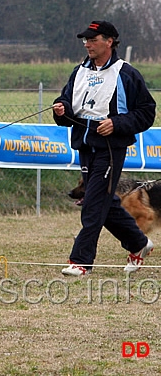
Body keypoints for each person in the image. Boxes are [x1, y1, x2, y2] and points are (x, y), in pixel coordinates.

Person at [53, 20, 156, 276]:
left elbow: (147, 112)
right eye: (85, 40)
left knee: (92, 202)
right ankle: (139, 243)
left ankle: (81, 261)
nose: (87, 44)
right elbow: (68, 102)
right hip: (84, 145)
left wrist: (117, 123)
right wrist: (60, 109)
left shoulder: (126, 74)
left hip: (111, 148)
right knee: (103, 202)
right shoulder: (79, 72)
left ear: (109, 41)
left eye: (93, 39)